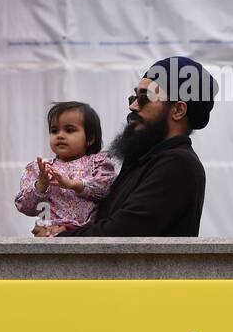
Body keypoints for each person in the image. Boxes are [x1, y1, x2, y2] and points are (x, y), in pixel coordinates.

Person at [38, 56, 214, 237]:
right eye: (134, 97)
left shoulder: (178, 164)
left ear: (178, 110)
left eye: (144, 97)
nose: (133, 105)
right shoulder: (145, 160)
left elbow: (123, 233)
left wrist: (57, 238)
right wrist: (66, 229)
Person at [14, 101, 116, 234]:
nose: (60, 135)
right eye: (54, 130)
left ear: (90, 138)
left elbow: (106, 189)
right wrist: (40, 186)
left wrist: (74, 184)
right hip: (47, 234)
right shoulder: (41, 168)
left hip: (84, 235)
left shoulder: (97, 163)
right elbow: (25, 207)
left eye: (69, 130)